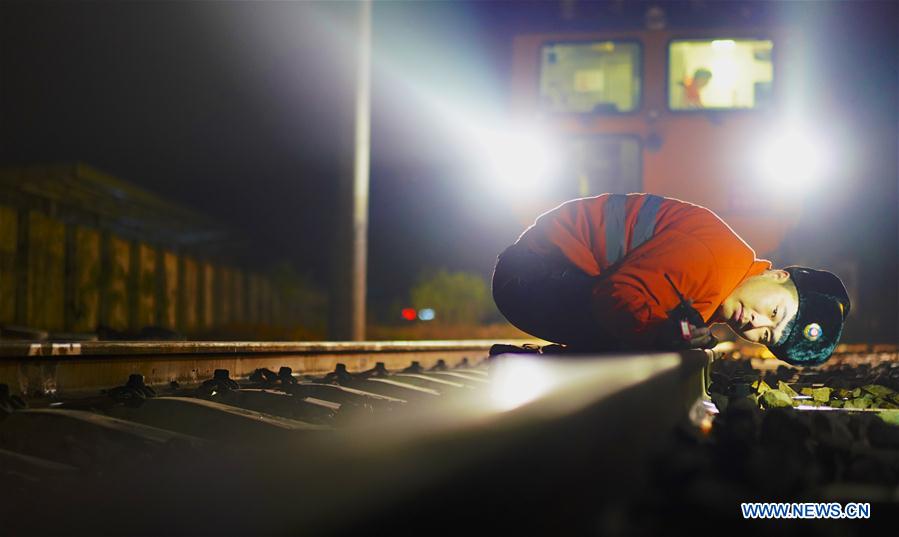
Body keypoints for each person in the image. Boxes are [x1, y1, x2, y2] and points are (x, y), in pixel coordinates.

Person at [492, 193, 851, 366]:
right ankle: (541, 363)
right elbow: (613, 297)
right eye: (774, 312)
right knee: (645, 340)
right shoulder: (711, 264)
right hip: (532, 276)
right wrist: (665, 335)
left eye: (768, 335)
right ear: (776, 275)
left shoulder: (719, 282)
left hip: (547, 274)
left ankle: (541, 362)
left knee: (653, 339)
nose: (756, 323)